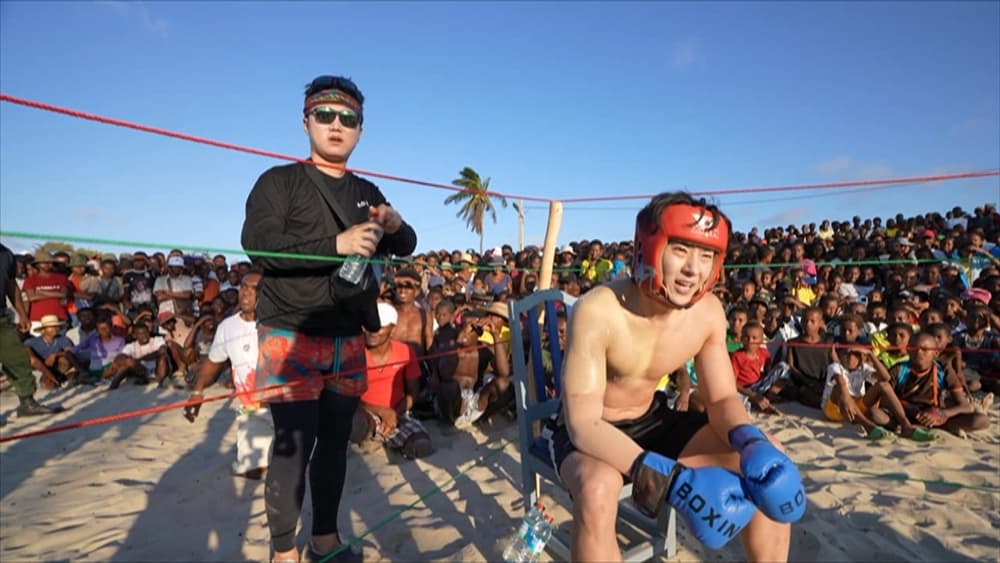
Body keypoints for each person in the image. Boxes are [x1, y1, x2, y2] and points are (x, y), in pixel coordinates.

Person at [547, 193, 802, 560]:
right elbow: (582, 424)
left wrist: (749, 440)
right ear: (649, 246)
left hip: (653, 420)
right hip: (590, 433)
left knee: (768, 463)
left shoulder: (708, 313)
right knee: (598, 490)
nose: (693, 269)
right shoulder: (598, 310)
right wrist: (670, 479)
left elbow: (721, 400)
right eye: (680, 250)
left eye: (706, 255)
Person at [241, 74, 416, 563]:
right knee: (292, 446)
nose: (336, 125)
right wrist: (335, 245)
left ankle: (324, 540)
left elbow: (406, 244)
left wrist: (397, 225)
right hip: (290, 332)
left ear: (360, 129)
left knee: (335, 443)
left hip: (347, 334)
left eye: (348, 118)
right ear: (305, 122)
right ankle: (283, 553)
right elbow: (258, 245)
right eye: (324, 115)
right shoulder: (278, 182)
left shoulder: (366, 190)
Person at [185, 272, 272, 480]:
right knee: (252, 471)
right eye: (244, 287)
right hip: (253, 409)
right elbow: (213, 362)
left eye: (254, 288)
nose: (246, 293)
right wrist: (197, 392)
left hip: (285, 406)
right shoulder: (227, 327)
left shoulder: (279, 323)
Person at [349, 302, 433, 459]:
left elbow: (413, 392)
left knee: (422, 446)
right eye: (367, 326)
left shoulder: (404, 351)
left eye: (378, 327)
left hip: (398, 411)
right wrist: (381, 412)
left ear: (392, 329)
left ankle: (383, 437)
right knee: (355, 424)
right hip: (366, 412)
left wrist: (394, 414)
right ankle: (373, 435)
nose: (372, 331)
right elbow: (348, 396)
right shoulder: (353, 353)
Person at [0, 244, 64, 424]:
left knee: (18, 358)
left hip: (2, 317)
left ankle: (27, 402)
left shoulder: (6, 254)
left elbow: (12, 286)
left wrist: (22, 314)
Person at [24, 314, 77, 389]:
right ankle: (51, 380)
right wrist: (47, 373)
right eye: (51, 327)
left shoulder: (64, 339)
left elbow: (71, 352)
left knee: (63, 360)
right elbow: (33, 361)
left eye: (56, 326)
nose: (55, 329)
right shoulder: (31, 342)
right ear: (43, 330)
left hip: (57, 368)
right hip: (39, 370)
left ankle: (60, 379)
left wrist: (55, 355)